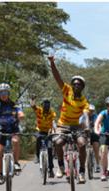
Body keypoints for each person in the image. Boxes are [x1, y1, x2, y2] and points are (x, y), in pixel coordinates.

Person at [47, 55, 91, 183]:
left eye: (79, 84)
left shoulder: (84, 101)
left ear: (82, 87)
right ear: (72, 85)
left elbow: (86, 115)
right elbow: (57, 77)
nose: (76, 86)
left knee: (82, 144)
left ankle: (82, 171)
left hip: (77, 127)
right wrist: (52, 63)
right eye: (75, 84)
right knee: (58, 143)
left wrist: (87, 127)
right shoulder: (67, 91)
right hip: (63, 125)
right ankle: (60, 166)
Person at [0, 83, 24, 185]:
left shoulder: (15, 105)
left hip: (14, 130)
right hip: (1, 131)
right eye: (1, 93)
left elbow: (21, 113)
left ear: (8, 93)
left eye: (5, 92)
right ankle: (0, 174)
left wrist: (21, 116)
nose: (3, 94)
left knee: (15, 141)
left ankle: (16, 163)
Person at [29, 98, 57, 175]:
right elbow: (33, 106)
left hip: (48, 132)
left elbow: (53, 122)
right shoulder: (39, 110)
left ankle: (51, 170)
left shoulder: (52, 112)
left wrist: (54, 131)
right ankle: (37, 156)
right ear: (42, 105)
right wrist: (33, 100)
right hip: (40, 130)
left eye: (48, 103)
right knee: (38, 138)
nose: (47, 105)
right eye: (45, 103)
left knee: (50, 149)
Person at [80, 104, 101, 173]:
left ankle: (98, 165)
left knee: (96, 148)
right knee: (83, 147)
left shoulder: (95, 116)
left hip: (93, 133)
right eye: (89, 110)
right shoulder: (83, 116)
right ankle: (85, 164)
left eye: (92, 111)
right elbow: (79, 123)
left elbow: (98, 124)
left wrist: (98, 130)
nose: (91, 112)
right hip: (85, 134)